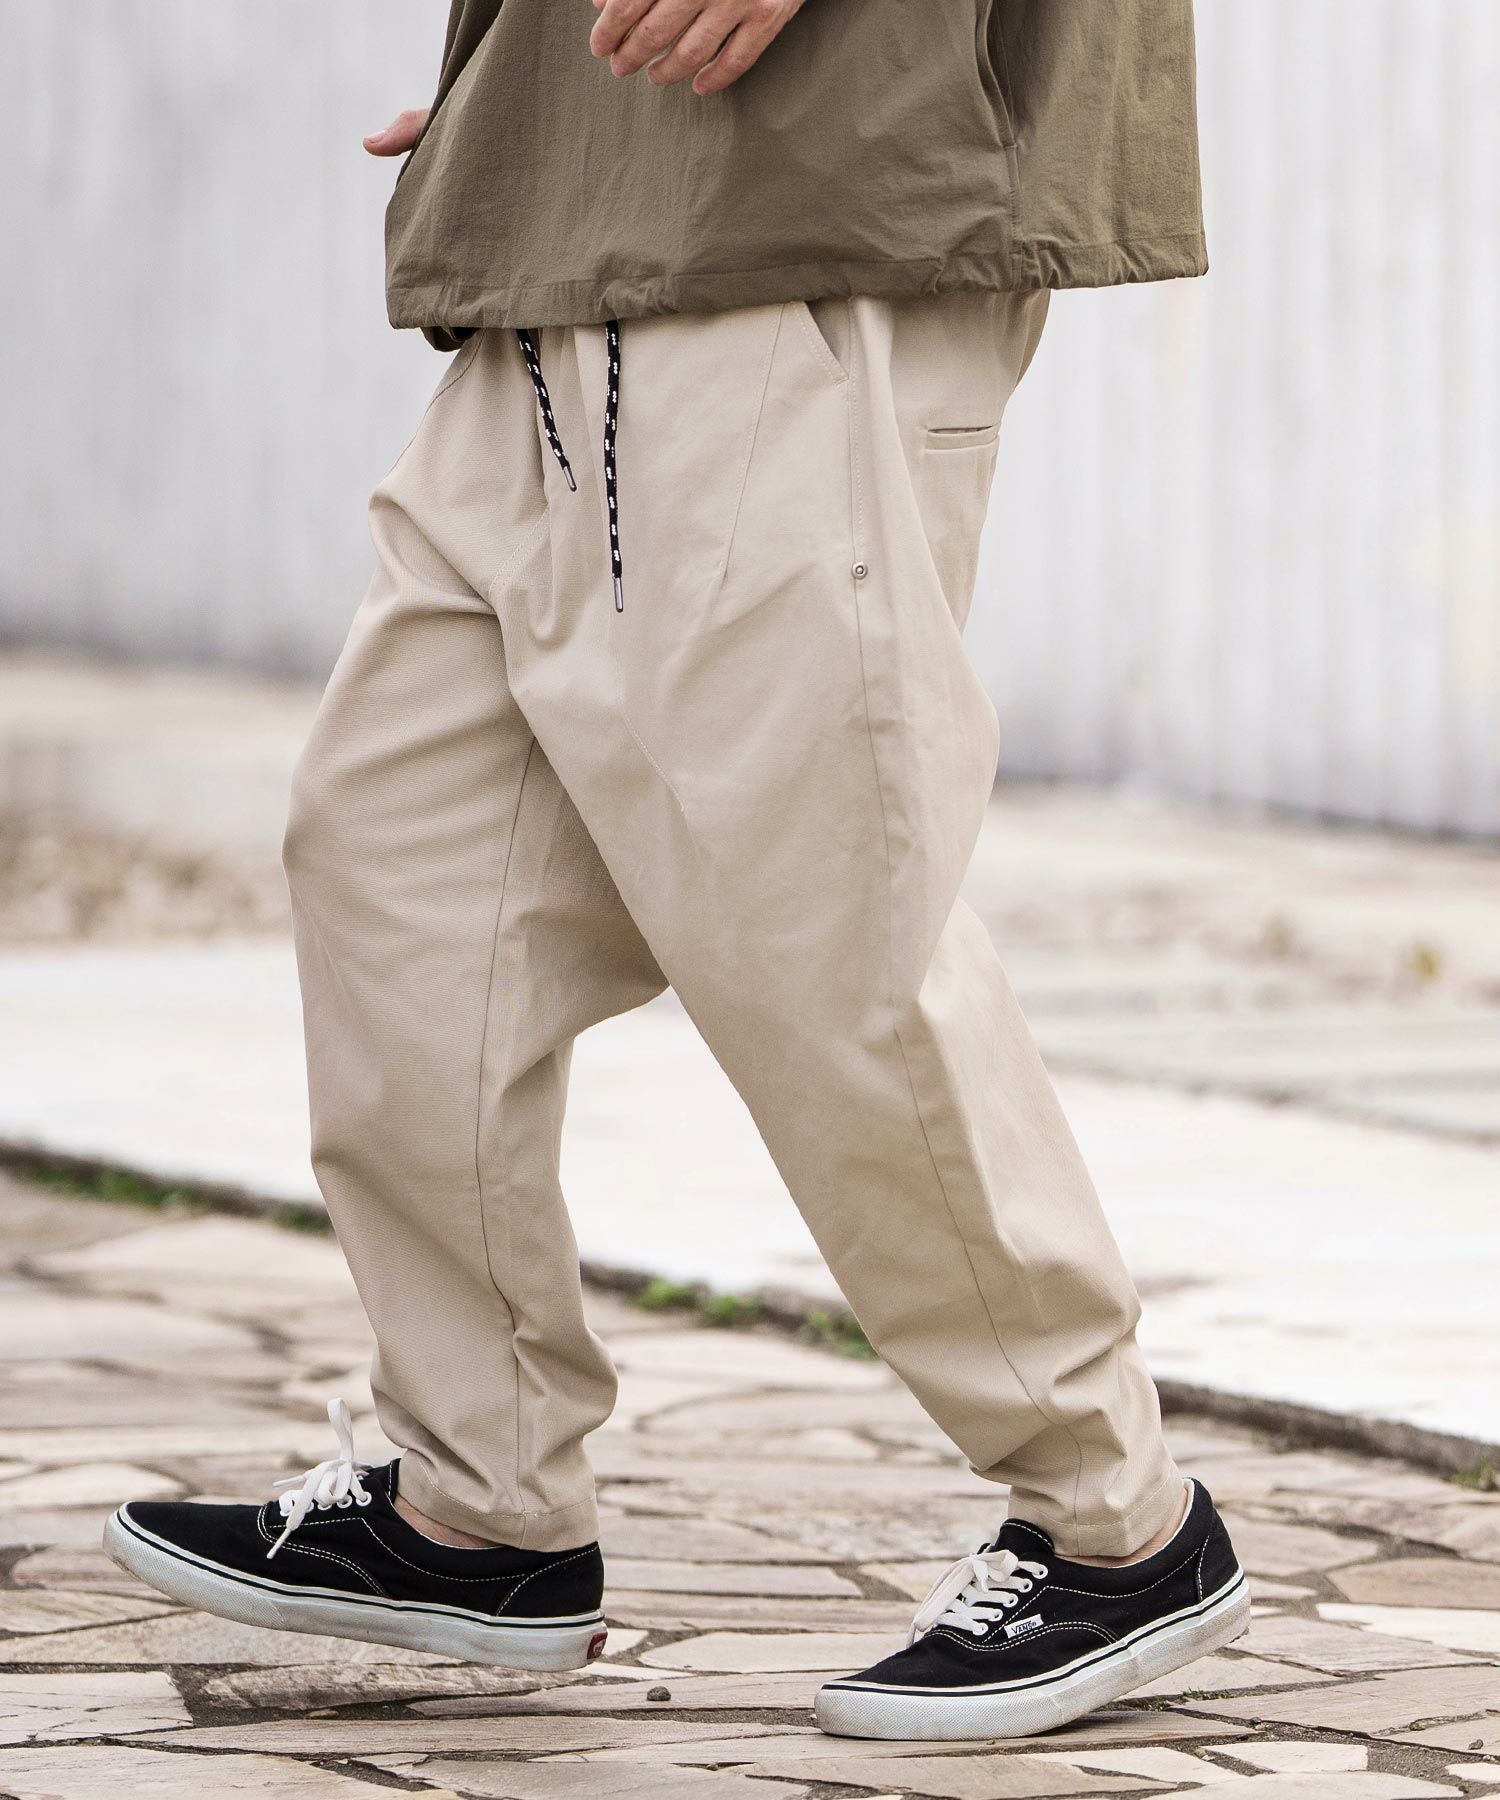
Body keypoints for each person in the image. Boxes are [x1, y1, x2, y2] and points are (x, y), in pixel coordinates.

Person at [106, 0, 1248, 1740]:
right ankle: (478, 1501)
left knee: (820, 922)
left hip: (806, 222)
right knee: (394, 857)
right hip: (561, 239)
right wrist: (519, 87)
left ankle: (1118, 1521)